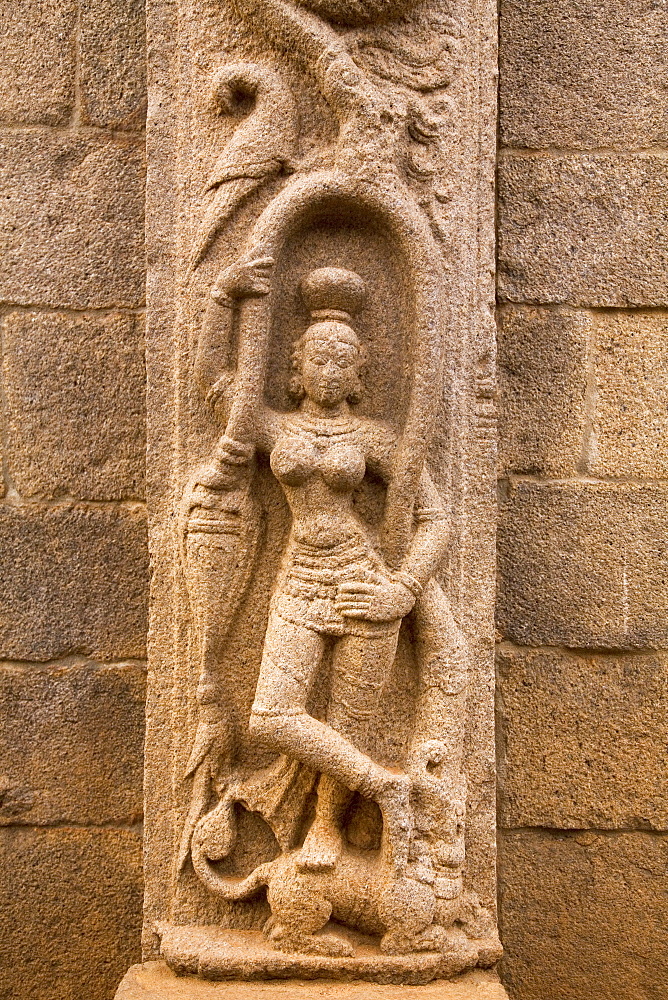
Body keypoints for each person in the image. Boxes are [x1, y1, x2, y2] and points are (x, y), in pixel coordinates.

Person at [196, 261, 449, 875]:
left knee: (348, 719)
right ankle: (383, 787)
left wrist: (403, 590)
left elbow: (436, 518)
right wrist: (223, 301)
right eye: (318, 358)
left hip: (365, 581)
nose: (329, 370)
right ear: (297, 367)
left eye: (343, 360)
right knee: (273, 714)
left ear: (359, 371)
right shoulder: (268, 423)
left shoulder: (376, 438)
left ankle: (326, 832)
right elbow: (214, 384)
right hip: (300, 577)